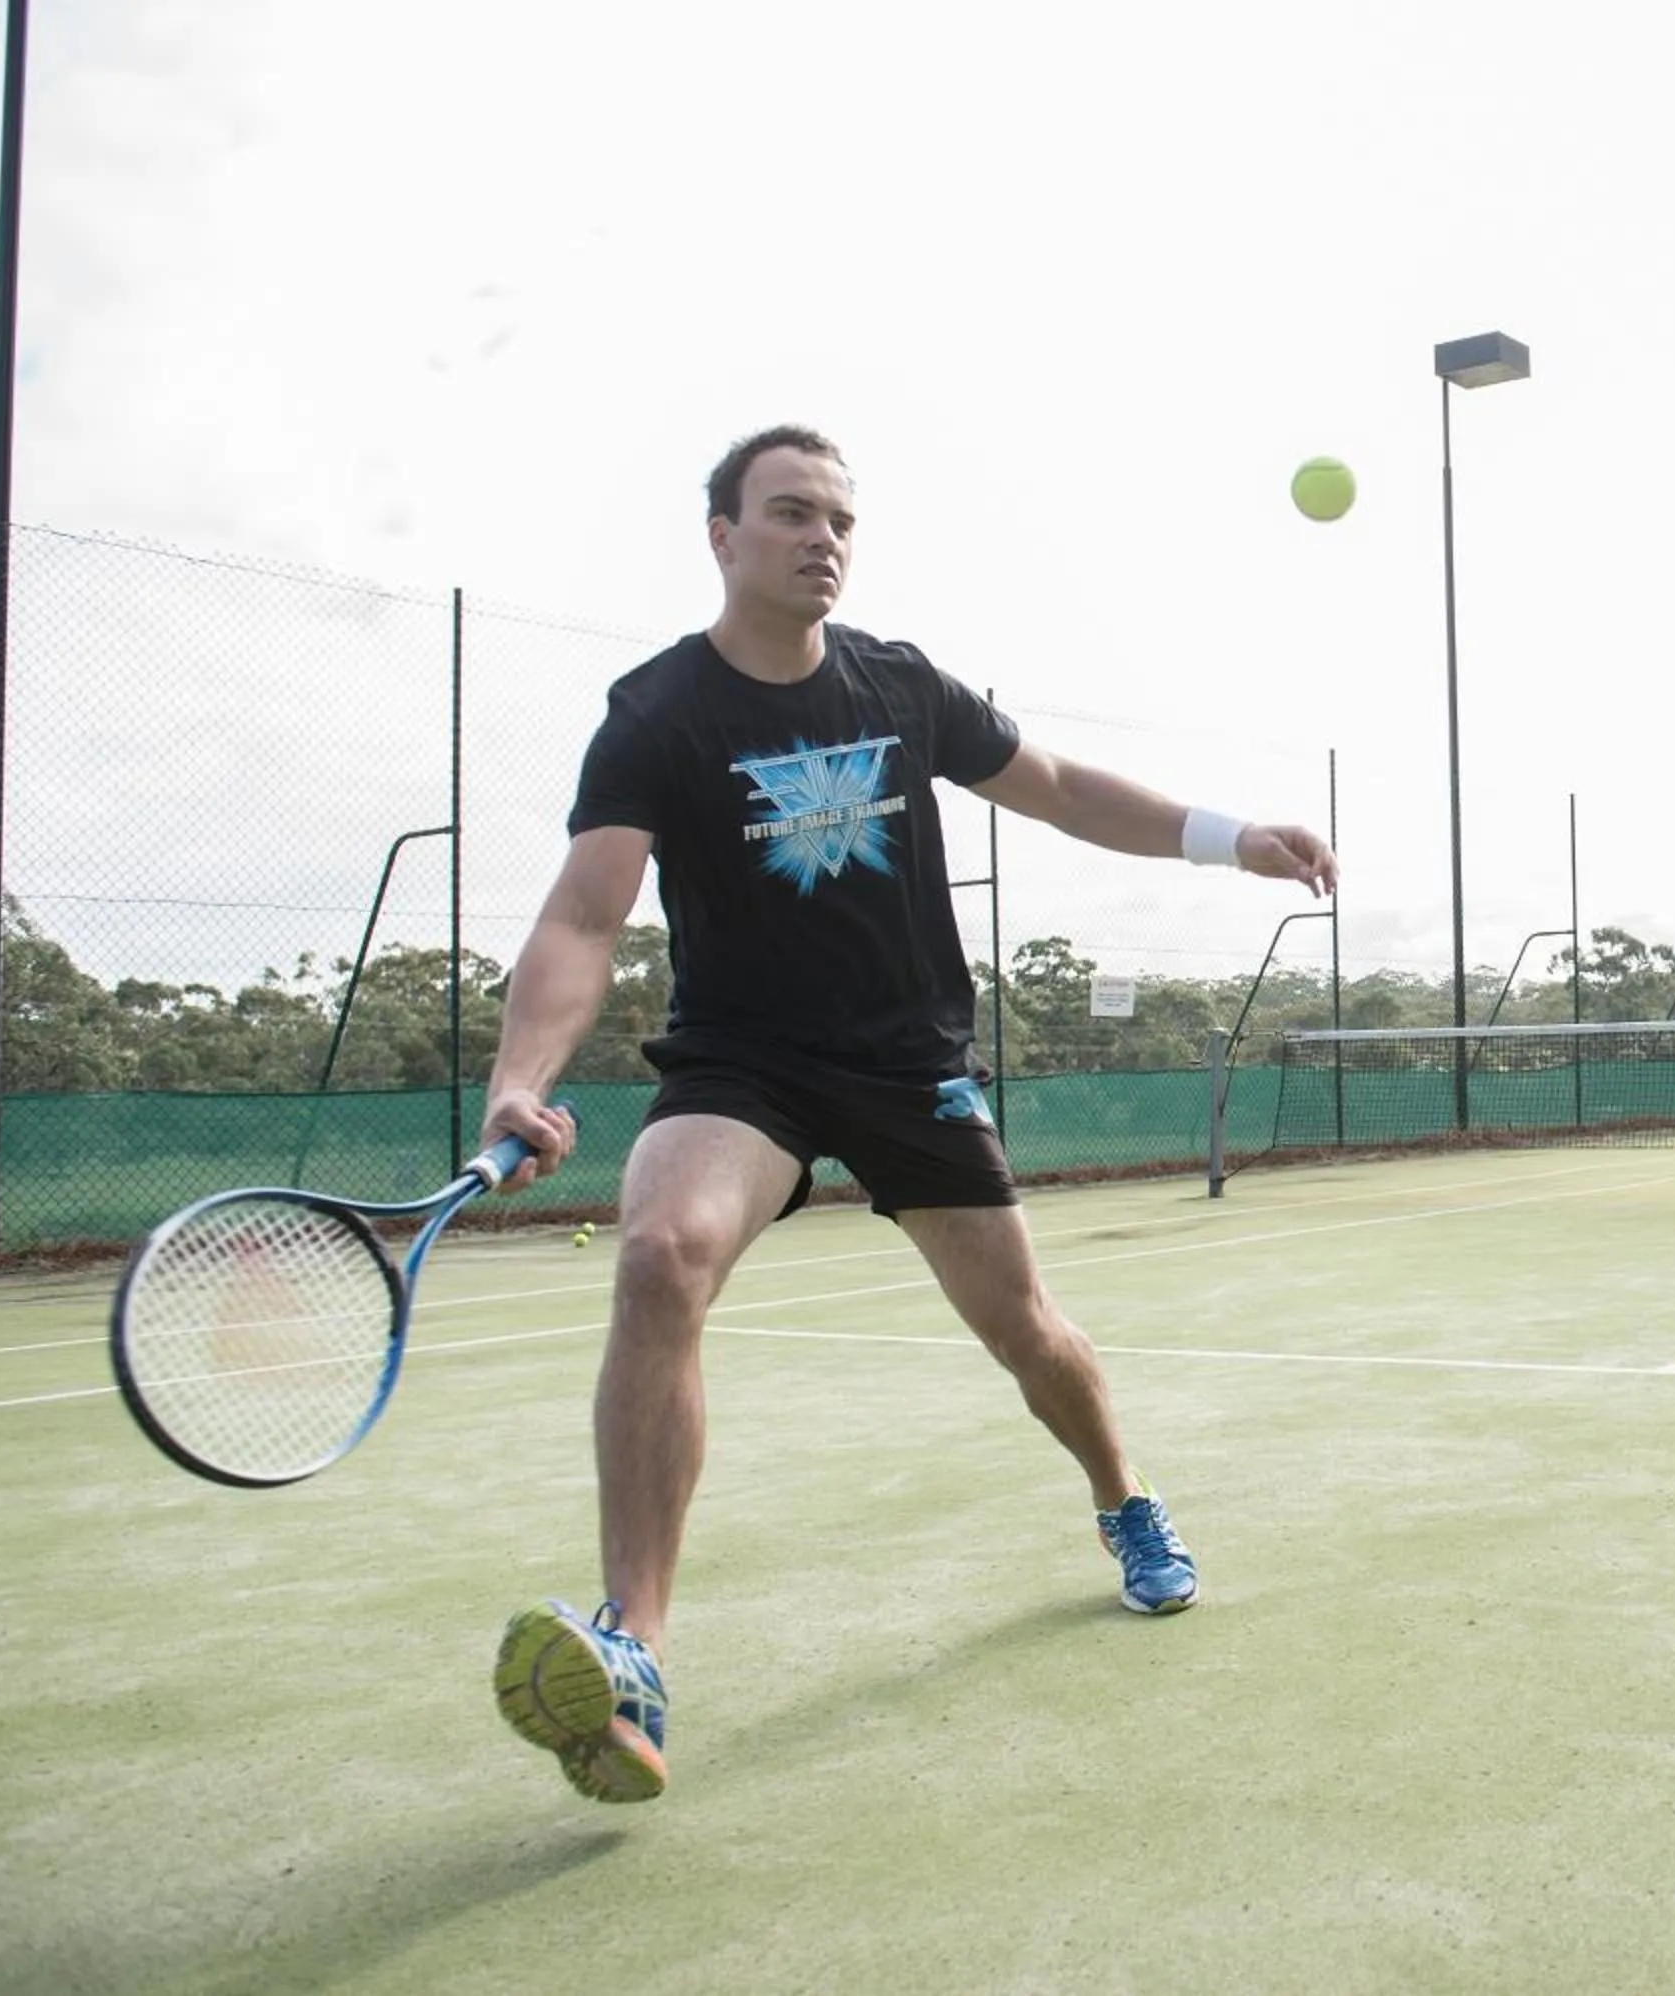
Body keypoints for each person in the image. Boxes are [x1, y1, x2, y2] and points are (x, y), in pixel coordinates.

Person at [478, 425, 1339, 1805]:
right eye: (790, 515)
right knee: (659, 1254)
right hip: (744, 1066)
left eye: (839, 520)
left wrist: (1228, 836)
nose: (822, 539)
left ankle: (1125, 1499)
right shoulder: (657, 714)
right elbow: (587, 911)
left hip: (905, 1060)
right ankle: (633, 1641)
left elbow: (1054, 787)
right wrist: (520, 1076)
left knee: (1028, 1333)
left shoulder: (899, 682)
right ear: (723, 537)